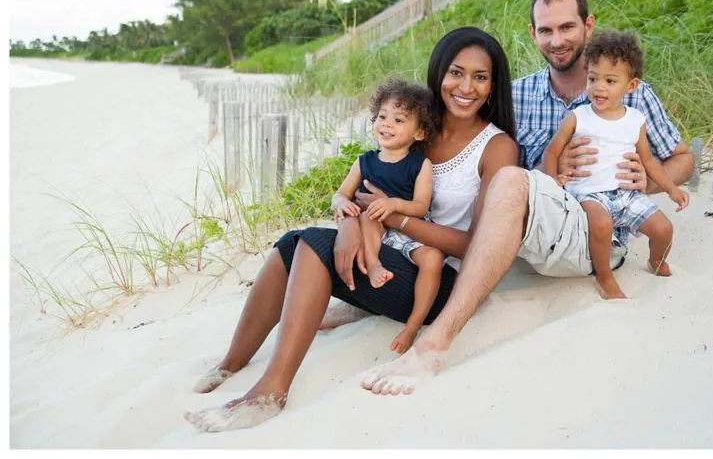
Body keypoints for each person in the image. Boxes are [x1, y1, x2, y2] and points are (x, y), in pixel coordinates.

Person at [358, 0, 695, 395]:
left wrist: (647, 179)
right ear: (533, 34)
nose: (558, 40)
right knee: (513, 178)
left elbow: (684, 159)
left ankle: (434, 344)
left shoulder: (632, 93)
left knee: (513, 179)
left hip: (596, 229)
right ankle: (368, 299)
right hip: (528, 230)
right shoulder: (517, 95)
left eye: (568, 27)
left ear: (588, 26)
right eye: (547, 30)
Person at [184, 26, 518, 431]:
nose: (466, 86)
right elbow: (360, 194)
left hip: (443, 282)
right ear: (438, 74)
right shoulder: (413, 132)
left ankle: (271, 392)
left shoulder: (496, 147)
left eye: (480, 77)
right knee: (292, 244)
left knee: (310, 244)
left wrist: (397, 218)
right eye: (456, 72)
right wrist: (348, 227)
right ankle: (232, 363)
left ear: (493, 85)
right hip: (390, 252)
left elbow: (476, 247)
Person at [541, 30, 689, 299]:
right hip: (588, 193)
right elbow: (551, 152)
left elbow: (648, 161)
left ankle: (656, 261)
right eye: (593, 78)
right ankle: (604, 276)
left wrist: (670, 188)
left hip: (626, 194)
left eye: (610, 81)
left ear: (630, 86)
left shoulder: (635, 120)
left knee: (664, 229)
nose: (599, 87)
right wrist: (554, 179)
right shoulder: (578, 117)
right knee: (600, 225)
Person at [331, 77, 445, 354]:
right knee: (369, 213)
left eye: (398, 120)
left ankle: (413, 325)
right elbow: (341, 194)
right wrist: (340, 205)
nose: (386, 124)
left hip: (406, 229)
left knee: (433, 257)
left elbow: (421, 205)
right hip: (372, 230)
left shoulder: (421, 164)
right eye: (382, 116)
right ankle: (373, 266)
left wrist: (394, 204)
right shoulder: (364, 161)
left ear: (419, 133)